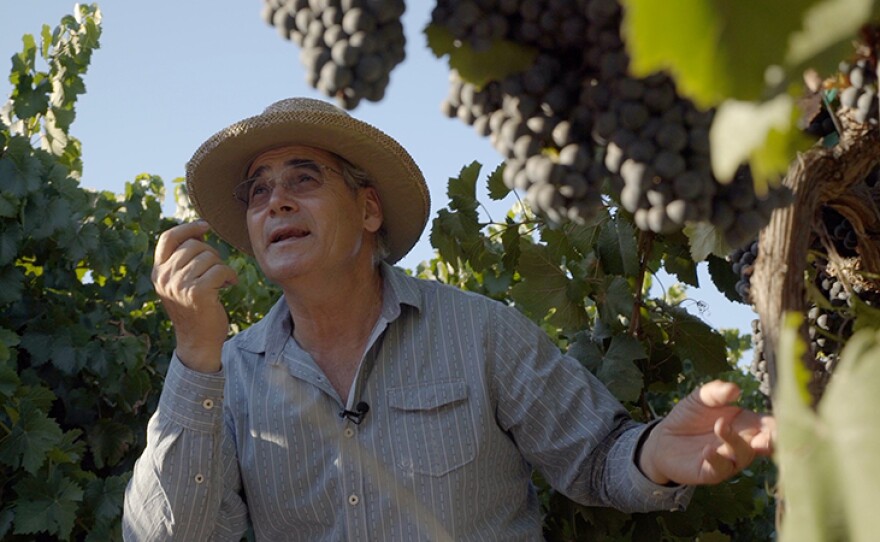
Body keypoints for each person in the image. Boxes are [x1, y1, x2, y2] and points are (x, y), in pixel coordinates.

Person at [123, 97, 775, 541]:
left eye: (304, 179)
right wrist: (194, 358)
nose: (274, 203)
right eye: (258, 191)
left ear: (369, 210)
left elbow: (598, 454)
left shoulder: (482, 332)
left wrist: (654, 453)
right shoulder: (227, 379)